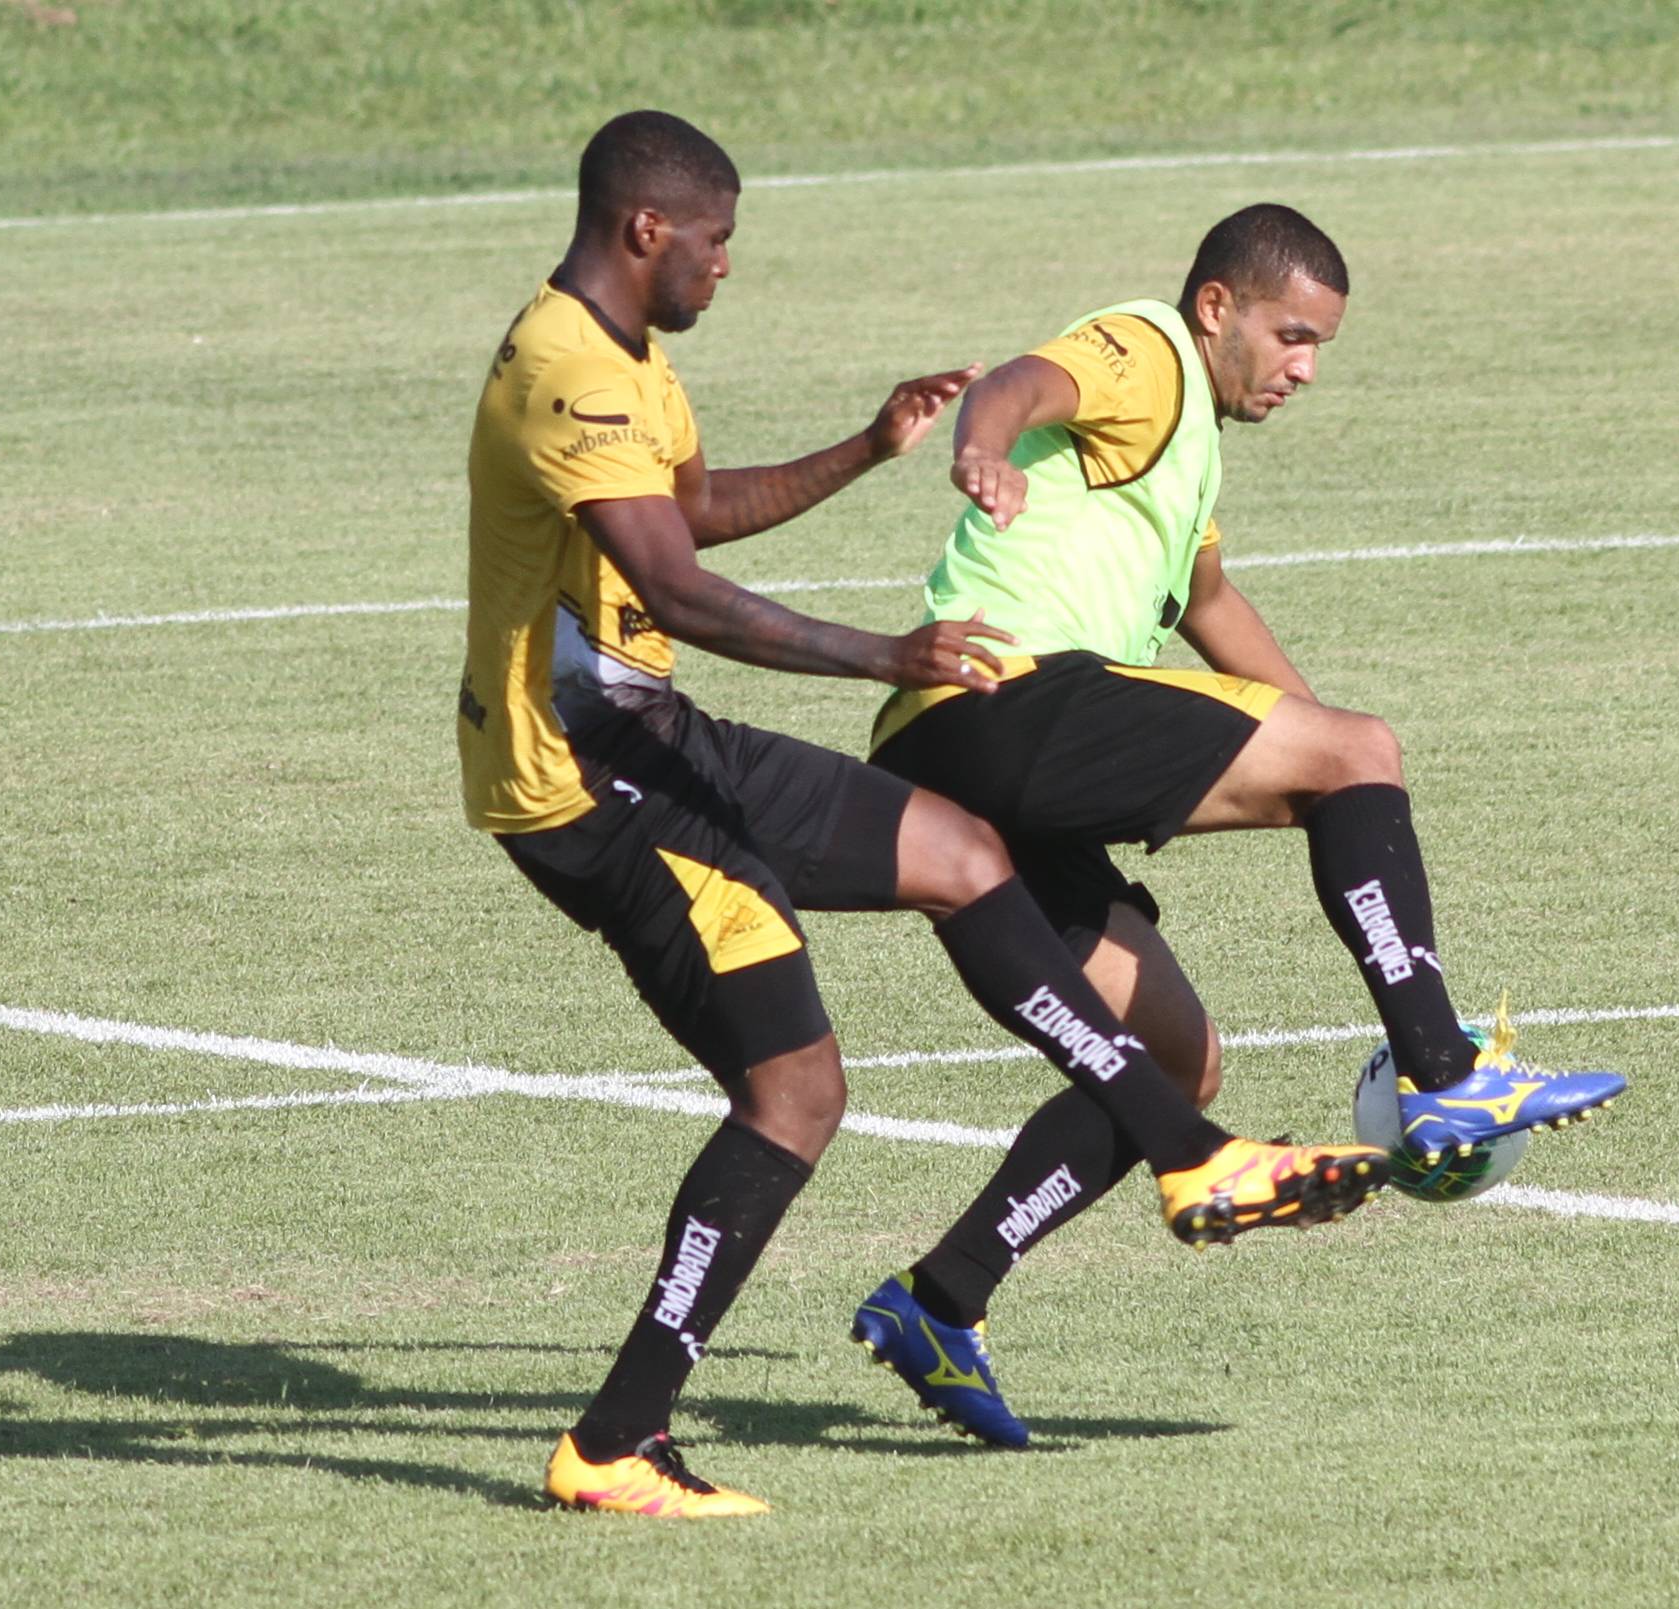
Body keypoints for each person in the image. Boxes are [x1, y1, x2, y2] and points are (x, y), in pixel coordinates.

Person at [461, 119, 1394, 1517]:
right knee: (795, 1093)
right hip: (587, 783)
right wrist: (883, 654)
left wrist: (865, 444)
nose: (727, 264)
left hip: (653, 739)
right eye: (716, 240)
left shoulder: (634, 365)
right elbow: (689, 593)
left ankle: (1173, 1159)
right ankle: (613, 1445)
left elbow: (692, 509)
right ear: (646, 230)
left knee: (960, 857)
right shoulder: (565, 370)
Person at [848, 204, 1629, 1448]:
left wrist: (1348, 774)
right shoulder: (1150, 347)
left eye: (1320, 346)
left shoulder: (1184, 447)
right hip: (1002, 701)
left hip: (958, 772)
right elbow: (1018, 383)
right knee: (1355, 750)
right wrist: (979, 447)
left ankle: (942, 1296)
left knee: (1171, 1061)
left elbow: (1209, 600)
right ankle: (1445, 1079)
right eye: (1292, 335)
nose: (1305, 368)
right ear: (1220, 306)